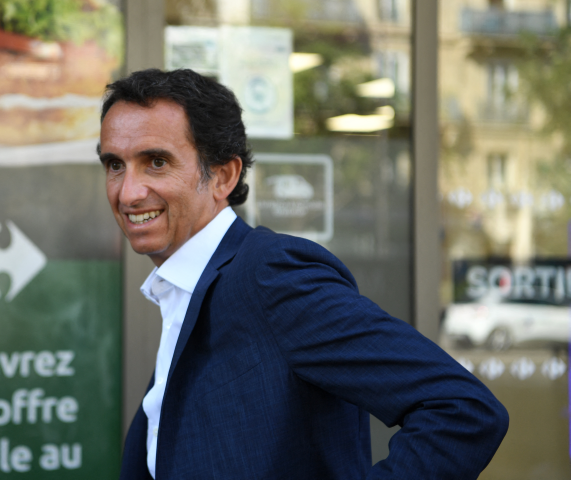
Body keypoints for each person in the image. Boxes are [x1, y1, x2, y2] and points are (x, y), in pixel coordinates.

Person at [97, 68, 508, 479]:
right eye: (115, 164)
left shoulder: (271, 277)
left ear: (222, 176)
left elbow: (461, 410)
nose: (128, 192)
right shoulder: (185, 290)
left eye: (156, 162)